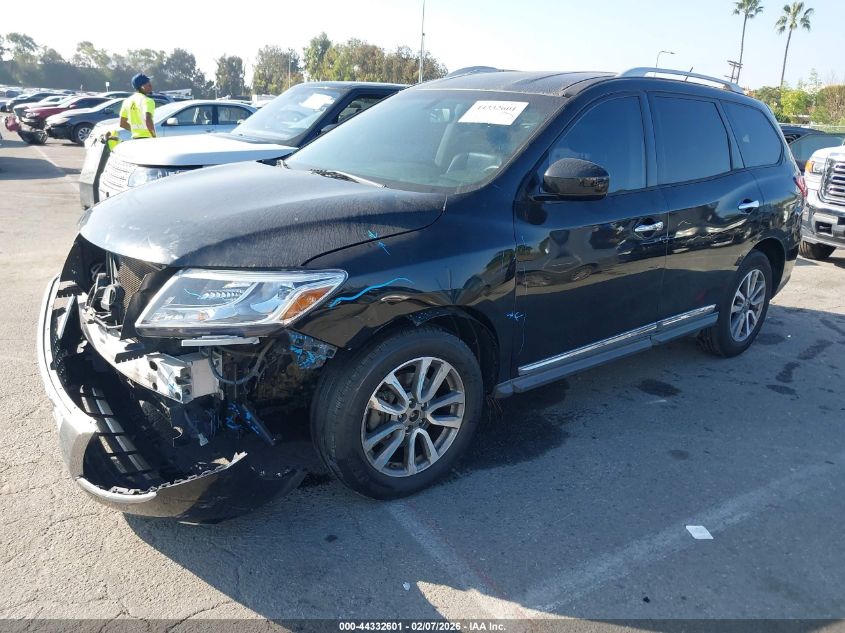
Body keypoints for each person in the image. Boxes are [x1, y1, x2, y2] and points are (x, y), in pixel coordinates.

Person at [119, 73, 156, 139]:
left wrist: (135, 131)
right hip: (148, 140)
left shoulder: (127, 101)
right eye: (147, 82)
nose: (150, 84)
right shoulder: (147, 101)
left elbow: (122, 123)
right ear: (142, 86)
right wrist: (154, 136)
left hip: (135, 139)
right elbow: (147, 119)